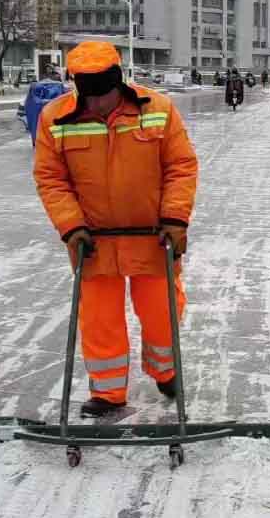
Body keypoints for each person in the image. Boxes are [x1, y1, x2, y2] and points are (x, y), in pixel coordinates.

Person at [33, 41, 199, 417]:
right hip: (92, 240)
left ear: (119, 83)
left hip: (153, 237)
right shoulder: (55, 118)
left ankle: (166, 370)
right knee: (100, 320)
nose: (100, 106)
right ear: (78, 89)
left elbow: (181, 167)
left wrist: (175, 218)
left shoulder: (157, 110)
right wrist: (71, 226)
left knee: (161, 313)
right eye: (91, 98)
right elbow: (50, 179)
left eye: (106, 96)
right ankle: (108, 393)